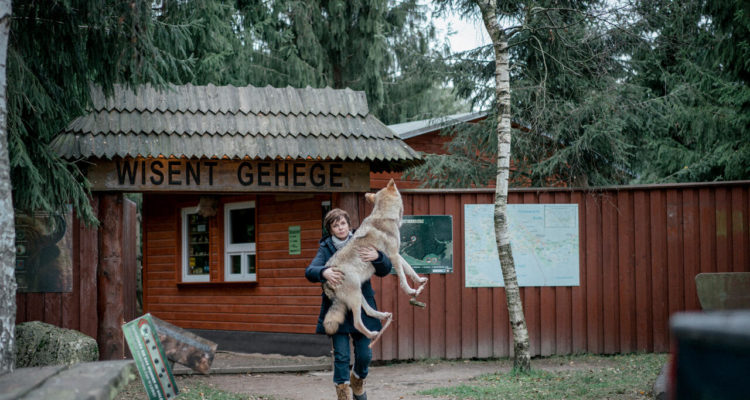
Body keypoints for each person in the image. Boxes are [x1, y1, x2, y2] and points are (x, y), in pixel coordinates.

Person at [305, 208, 392, 400]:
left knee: (364, 356)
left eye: (343, 223)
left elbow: (385, 270)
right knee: (342, 357)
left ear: (348, 224)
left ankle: (358, 382)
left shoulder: (362, 240)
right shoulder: (326, 247)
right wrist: (324, 272)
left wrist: (378, 258)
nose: (340, 228)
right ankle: (343, 395)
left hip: (363, 305)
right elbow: (310, 270)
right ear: (330, 229)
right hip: (339, 307)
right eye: (335, 225)